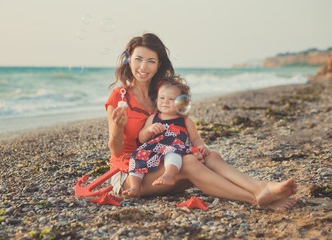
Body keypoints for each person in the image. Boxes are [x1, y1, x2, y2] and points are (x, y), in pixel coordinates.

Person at [105, 32, 298, 211]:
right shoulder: (119, 98)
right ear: (129, 60)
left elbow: (177, 130)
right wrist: (117, 129)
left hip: (163, 164)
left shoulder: (164, 94)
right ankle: (258, 198)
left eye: (151, 61)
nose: (143, 67)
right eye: (138, 59)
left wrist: (195, 149)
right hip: (131, 174)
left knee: (210, 156)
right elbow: (116, 151)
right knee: (188, 162)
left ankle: (259, 187)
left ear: (158, 65)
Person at [123, 77, 209, 197]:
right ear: (157, 100)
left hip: (174, 148)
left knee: (172, 152)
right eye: (162, 98)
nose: (165, 101)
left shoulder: (185, 121)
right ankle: (135, 187)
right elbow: (142, 138)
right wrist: (149, 129)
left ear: (181, 104)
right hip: (153, 150)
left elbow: (195, 139)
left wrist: (200, 145)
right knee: (136, 158)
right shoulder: (153, 118)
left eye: (171, 99)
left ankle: (169, 174)